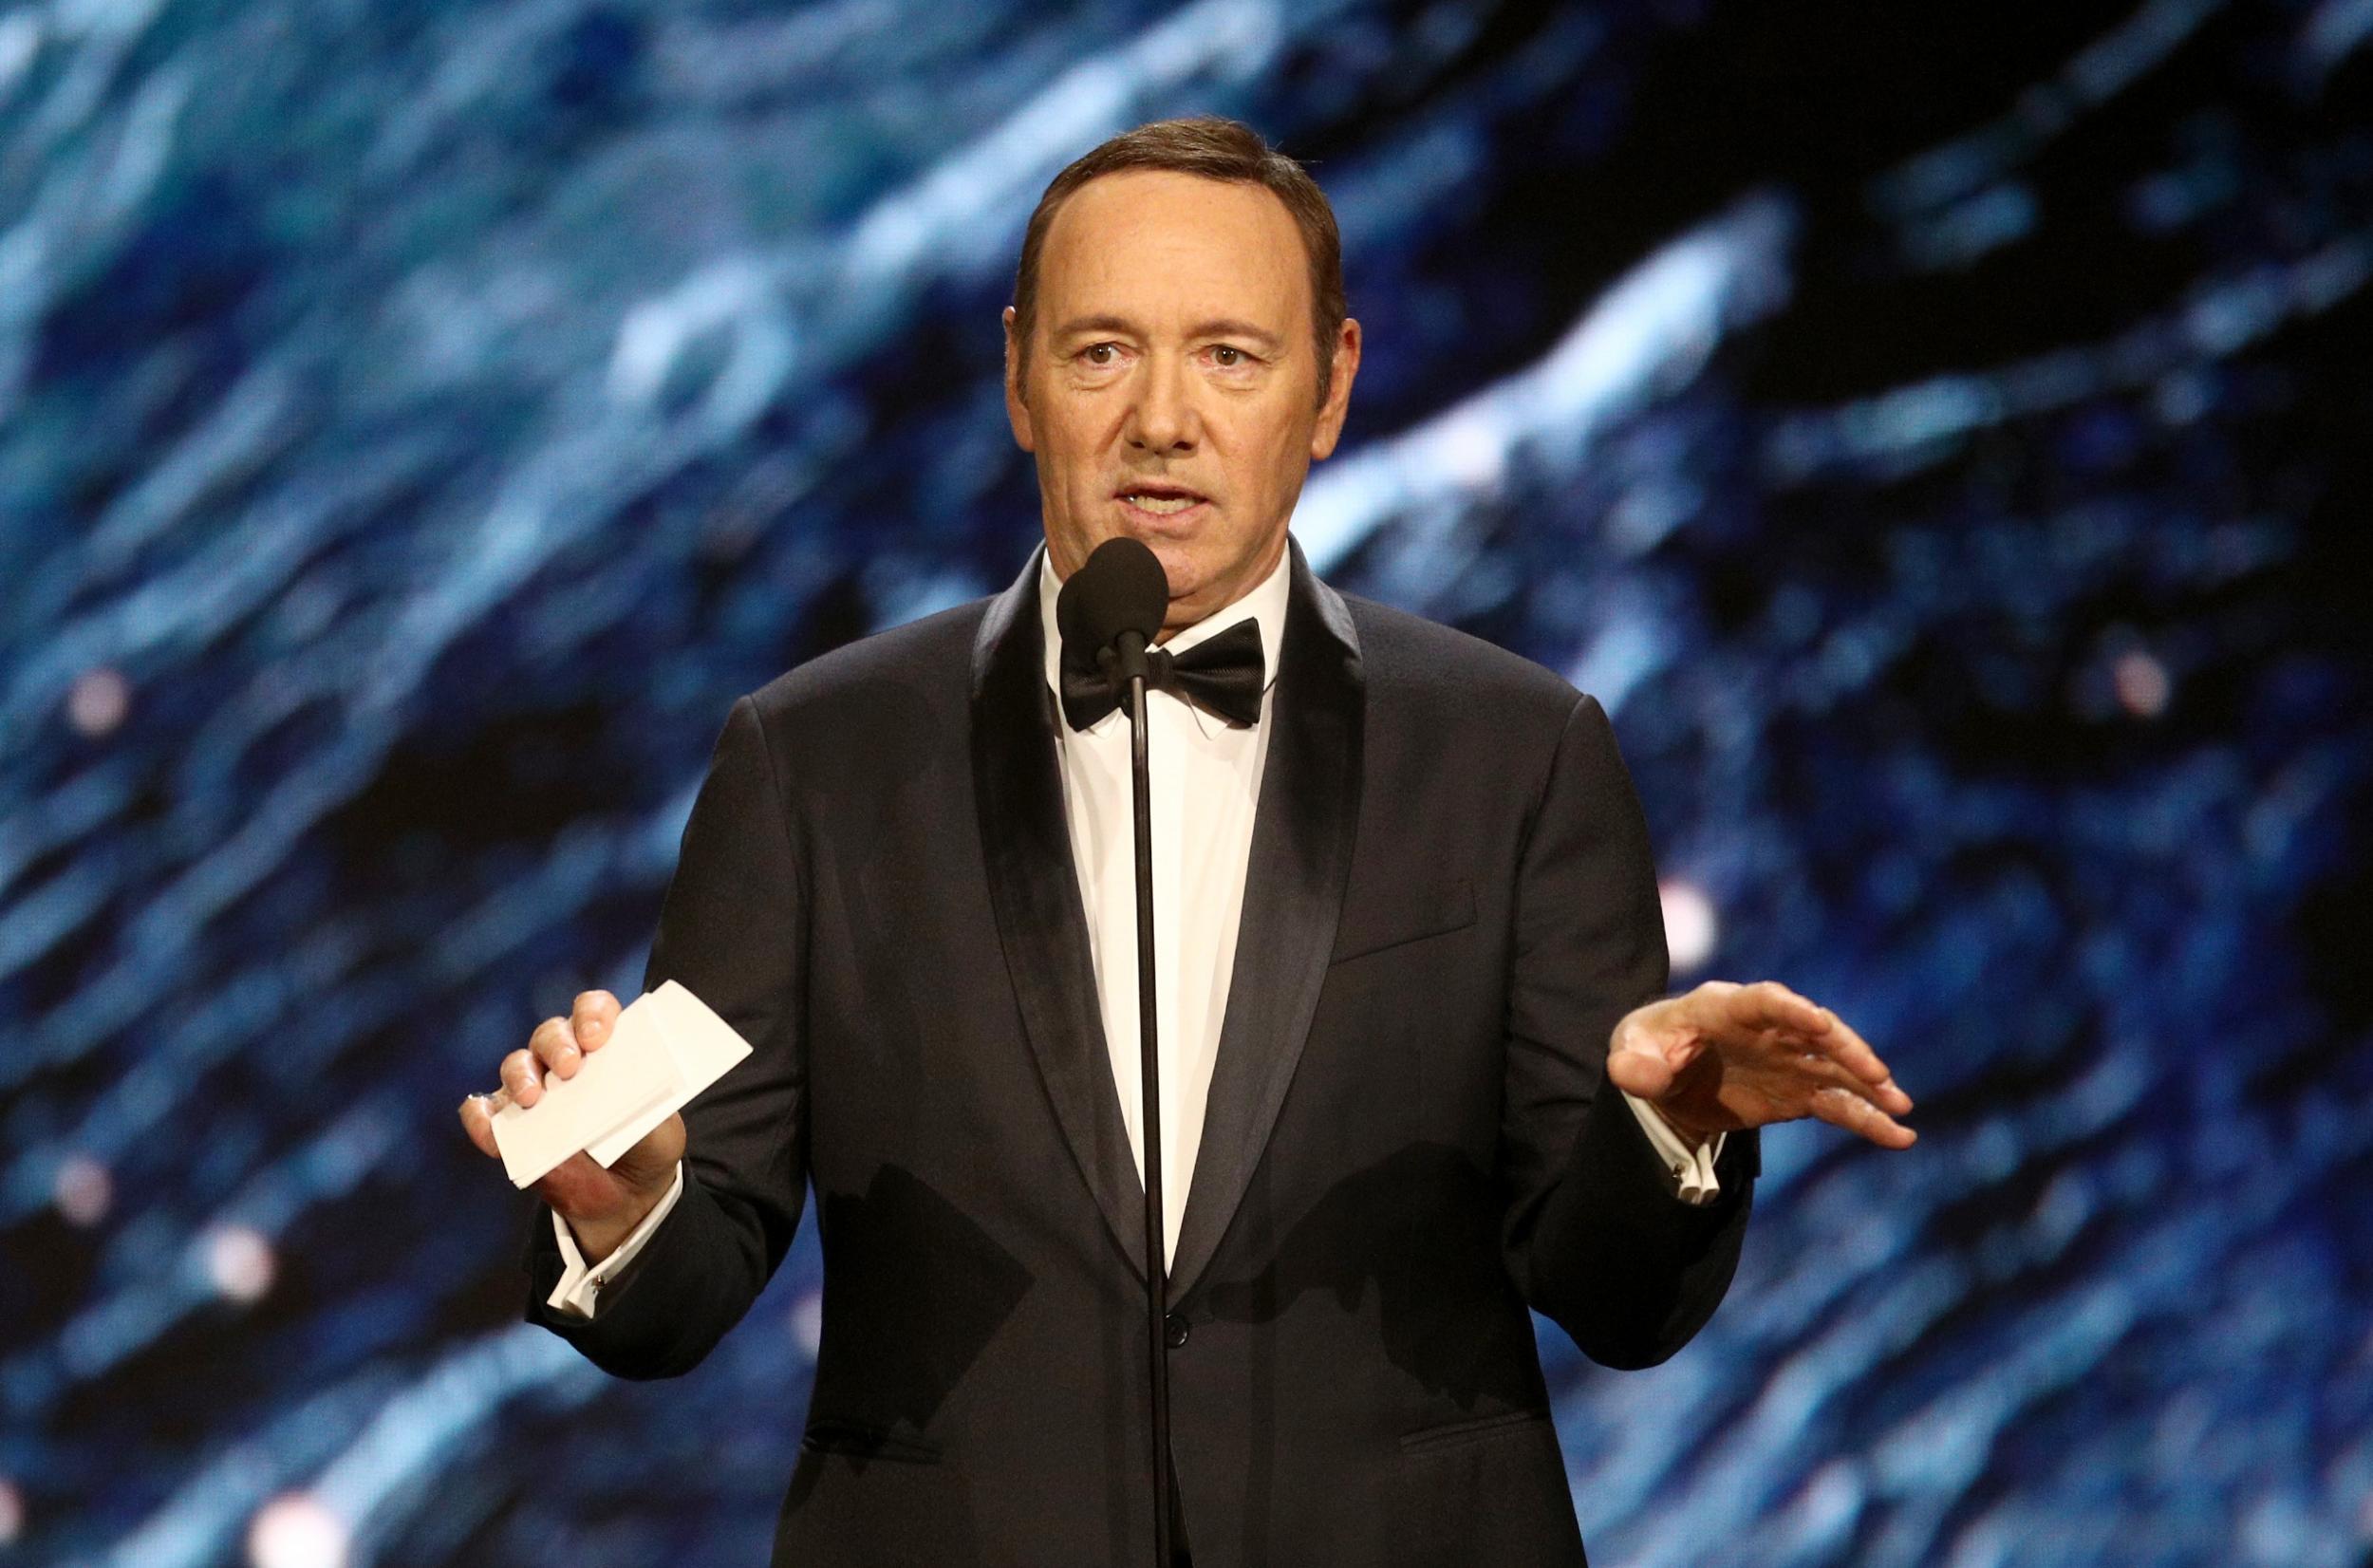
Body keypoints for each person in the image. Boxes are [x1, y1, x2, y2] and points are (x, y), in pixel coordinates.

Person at [458, 116, 1915, 1567]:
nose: (1162, 419)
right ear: (1020, 377)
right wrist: (630, 1206)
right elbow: (687, 1288)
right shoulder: (811, 762)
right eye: (1102, 354)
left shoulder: (1519, 756)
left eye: (1230, 355)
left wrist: (1675, 1124)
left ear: (1332, 388)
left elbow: (1621, 1301)